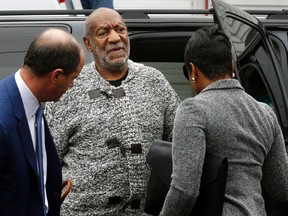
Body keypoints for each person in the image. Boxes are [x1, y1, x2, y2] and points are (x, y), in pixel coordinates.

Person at [44, 7, 181, 216]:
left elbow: (181, 142)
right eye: (103, 32)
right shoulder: (69, 88)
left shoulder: (154, 81)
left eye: (120, 29)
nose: (115, 38)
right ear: (88, 43)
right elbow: (46, 160)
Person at [160, 25, 288, 215]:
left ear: (193, 70)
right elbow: (282, 187)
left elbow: (185, 190)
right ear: (231, 67)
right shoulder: (265, 113)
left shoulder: (192, 110)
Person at [0, 28, 85, 216]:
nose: (73, 85)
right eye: (73, 78)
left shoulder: (33, 104)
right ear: (56, 76)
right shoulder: (3, 121)